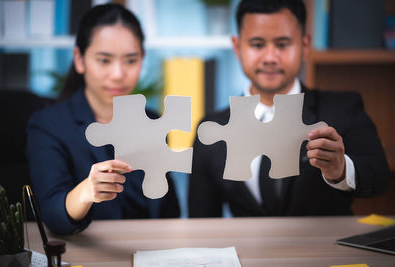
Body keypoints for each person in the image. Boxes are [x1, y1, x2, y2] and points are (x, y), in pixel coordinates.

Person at [188, 0, 390, 217]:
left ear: (305, 46)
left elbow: (378, 176)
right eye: (257, 44)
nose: (270, 58)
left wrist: (340, 170)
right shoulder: (211, 128)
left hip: (324, 250)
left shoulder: (344, 109)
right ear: (237, 48)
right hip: (243, 250)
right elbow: (201, 220)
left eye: (283, 44)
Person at [26, 4, 179, 235]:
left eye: (130, 60)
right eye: (104, 60)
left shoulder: (153, 120)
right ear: (79, 60)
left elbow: (168, 211)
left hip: (150, 250)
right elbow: (52, 214)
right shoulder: (48, 125)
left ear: (142, 60)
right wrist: (86, 192)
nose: (118, 74)